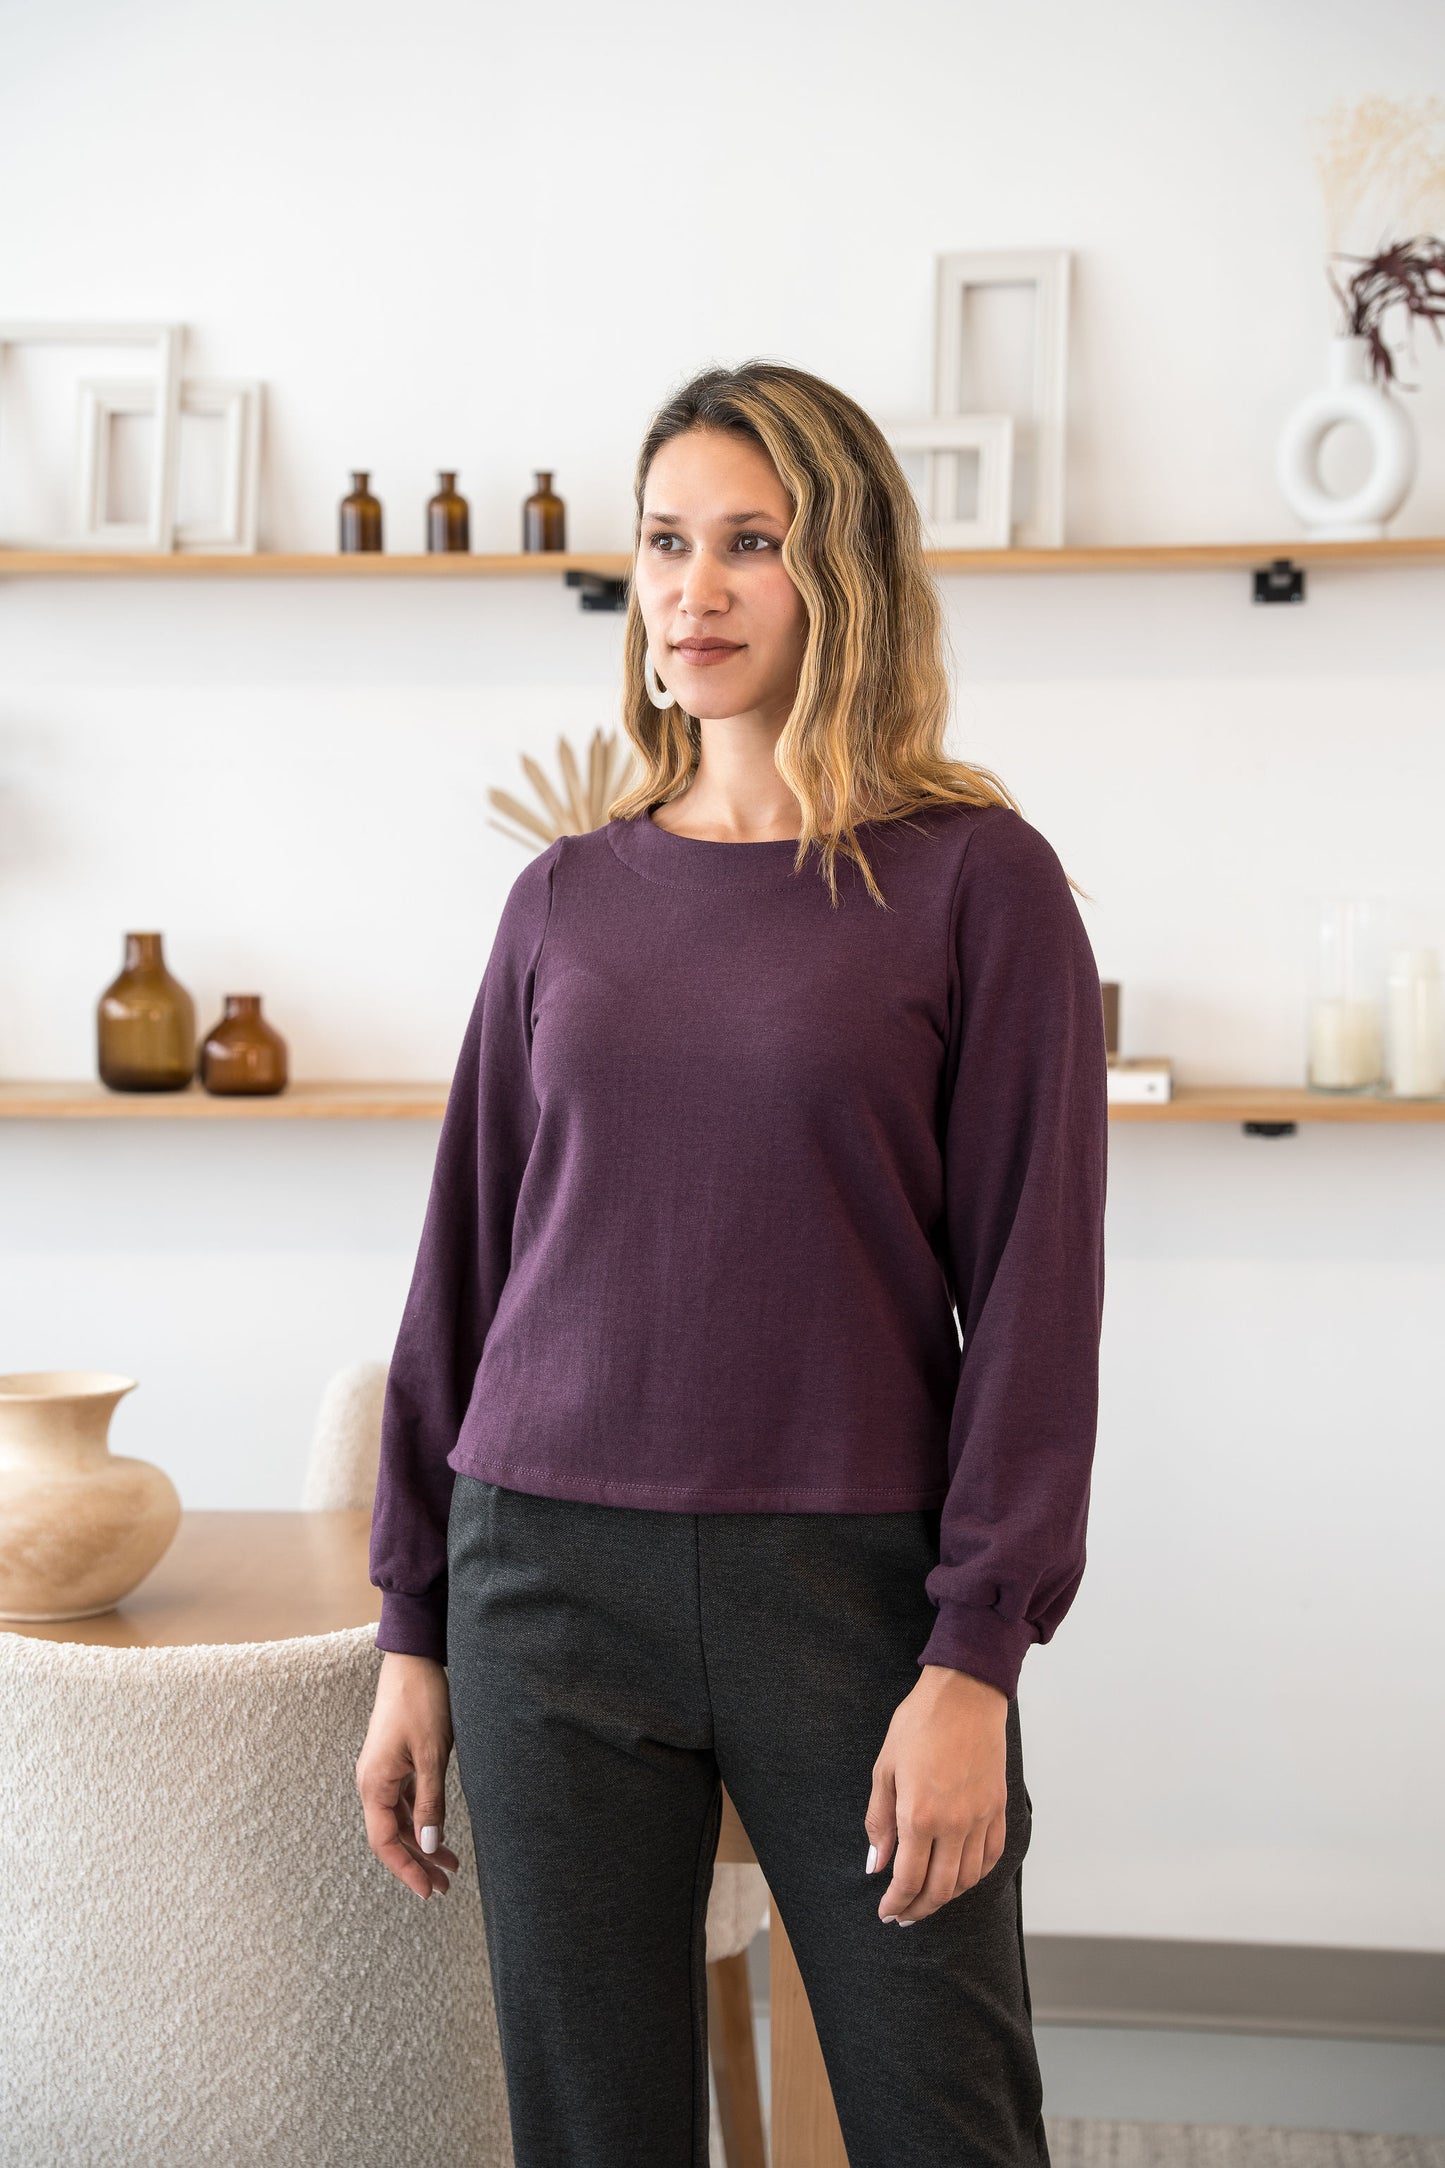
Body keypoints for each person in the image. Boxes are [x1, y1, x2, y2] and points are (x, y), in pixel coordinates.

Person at [355, 359, 1108, 2167]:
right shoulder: (563, 896)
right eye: (665, 542)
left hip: (852, 1595)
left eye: (750, 543)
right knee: (594, 2132)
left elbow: (1036, 1296)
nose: (692, 590)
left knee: (945, 2118)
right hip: (544, 1578)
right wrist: (414, 1628)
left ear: (839, 569)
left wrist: (977, 1656)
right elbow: (465, 1262)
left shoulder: (976, 880)